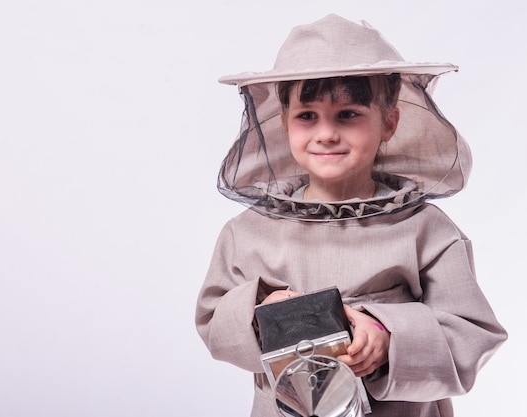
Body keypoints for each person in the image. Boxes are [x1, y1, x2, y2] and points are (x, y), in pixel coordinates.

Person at [195, 14, 507, 417]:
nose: (326, 133)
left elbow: (472, 335)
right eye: (307, 116)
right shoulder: (248, 232)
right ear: (284, 124)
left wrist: (389, 338)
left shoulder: (426, 229)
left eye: (348, 114)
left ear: (389, 122)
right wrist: (262, 309)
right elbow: (212, 321)